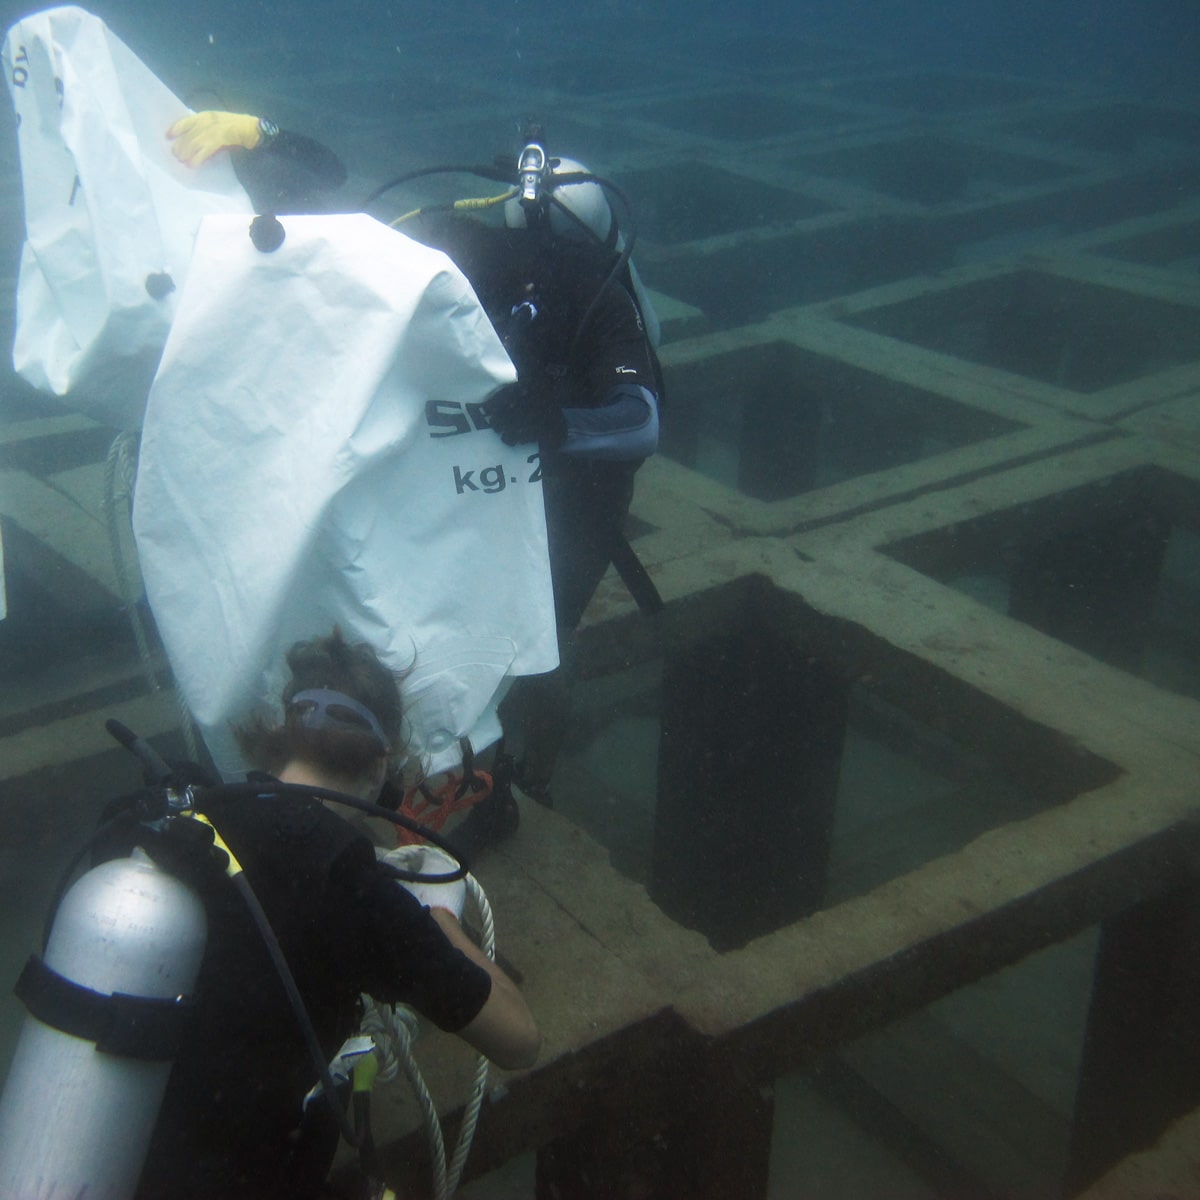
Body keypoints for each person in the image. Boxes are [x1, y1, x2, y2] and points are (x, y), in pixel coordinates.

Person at [167, 113, 663, 811]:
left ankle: (516, 780)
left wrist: (556, 427)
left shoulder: (605, 301)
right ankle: (441, 774)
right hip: (469, 488)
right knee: (450, 632)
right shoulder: (466, 250)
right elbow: (349, 251)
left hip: (569, 508)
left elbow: (639, 421)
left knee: (539, 648)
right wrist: (275, 146)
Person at [123, 628, 540, 1200]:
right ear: (382, 763)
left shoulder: (199, 818)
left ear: (283, 736)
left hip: (126, 1158)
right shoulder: (347, 886)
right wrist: (437, 912)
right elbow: (518, 1040)